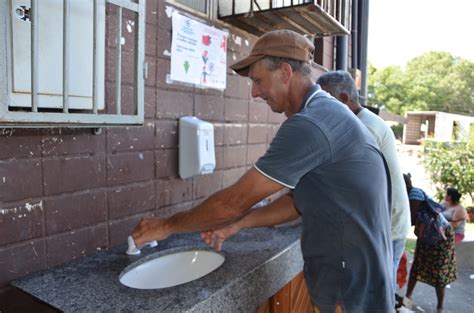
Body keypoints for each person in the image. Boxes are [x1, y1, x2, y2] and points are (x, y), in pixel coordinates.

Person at [132, 29, 394, 313]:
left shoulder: (311, 124)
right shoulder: (325, 111)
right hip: (353, 282)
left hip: (349, 289)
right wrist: (239, 223)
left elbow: (232, 202)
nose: (254, 92)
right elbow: (298, 203)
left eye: (258, 80)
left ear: (284, 73)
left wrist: (166, 226)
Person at [316, 71, 411, 303]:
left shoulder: (365, 129)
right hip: (381, 221)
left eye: (327, 101)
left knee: (376, 297)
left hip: (387, 225)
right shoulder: (359, 122)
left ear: (346, 99)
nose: (322, 109)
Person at [403, 174, 456, 313]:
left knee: (439, 270)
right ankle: (408, 298)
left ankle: (440, 307)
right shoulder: (411, 193)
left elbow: (411, 220)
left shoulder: (414, 194)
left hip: (440, 235)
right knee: (418, 265)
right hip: (427, 234)